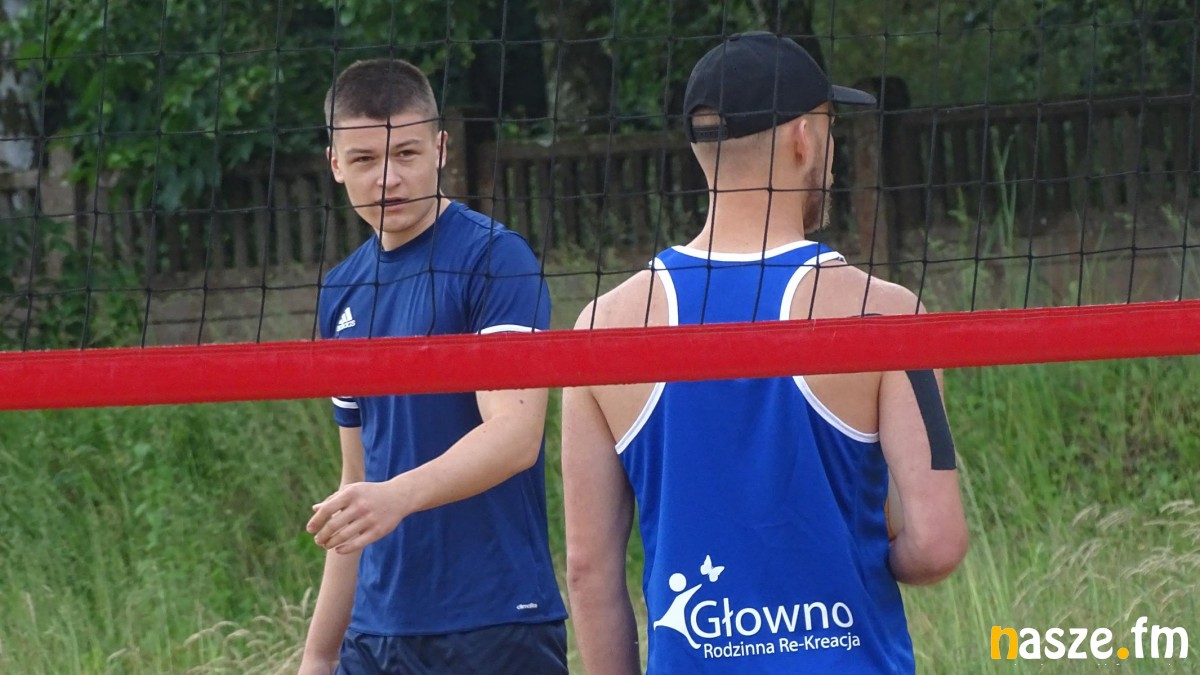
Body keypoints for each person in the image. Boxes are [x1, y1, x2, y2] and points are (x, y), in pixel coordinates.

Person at [562, 32, 969, 674]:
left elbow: (588, 572)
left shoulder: (603, 327)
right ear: (804, 138)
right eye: (831, 132)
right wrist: (852, 556)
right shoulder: (887, 315)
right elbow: (938, 544)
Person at [299, 58, 567, 675]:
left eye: (407, 153)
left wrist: (397, 497)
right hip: (377, 631)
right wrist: (318, 655)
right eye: (364, 159)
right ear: (336, 164)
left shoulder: (496, 258)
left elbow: (515, 436)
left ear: (441, 149)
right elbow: (357, 481)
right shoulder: (341, 290)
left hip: (494, 621)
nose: (387, 178)